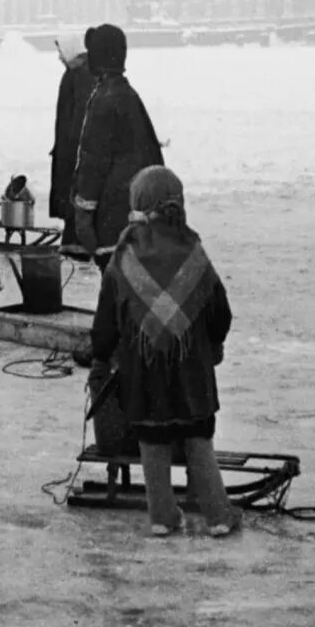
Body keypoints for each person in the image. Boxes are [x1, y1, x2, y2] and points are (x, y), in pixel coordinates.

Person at [80, 165, 241, 538]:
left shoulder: (125, 256)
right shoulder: (194, 252)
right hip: (193, 375)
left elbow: (106, 320)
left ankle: (162, 518)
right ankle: (218, 516)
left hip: (143, 374)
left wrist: (102, 355)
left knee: (152, 441)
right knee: (198, 439)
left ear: (138, 203)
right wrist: (212, 344)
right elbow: (221, 313)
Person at [71, 23, 164, 271]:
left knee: (117, 289)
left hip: (113, 215)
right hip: (139, 212)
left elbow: (93, 160)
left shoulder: (103, 99)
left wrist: (83, 214)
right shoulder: (129, 95)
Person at [49, 33, 97, 252]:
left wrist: (71, 145)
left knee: (74, 196)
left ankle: (75, 244)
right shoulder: (74, 74)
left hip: (74, 149)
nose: (59, 57)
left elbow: (79, 116)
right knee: (71, 197)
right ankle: (72, 241)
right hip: (68, 147)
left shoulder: (82, 76)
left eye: (61, 52)